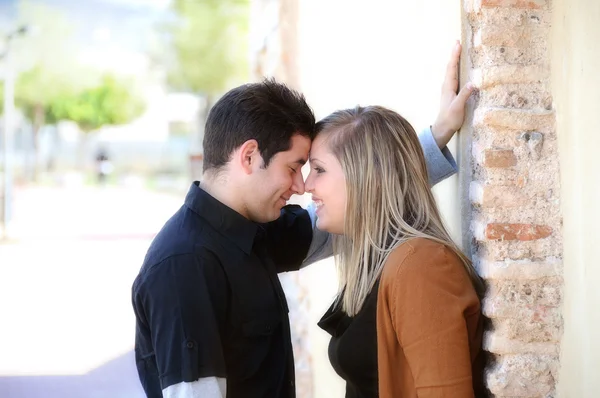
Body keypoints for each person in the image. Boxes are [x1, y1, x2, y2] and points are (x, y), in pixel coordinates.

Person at [131, 43, 474, 398]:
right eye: (294, 167)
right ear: (249, 156)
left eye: (315, 170)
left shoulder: (255, 231)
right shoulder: (185, 265)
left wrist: (438, 135)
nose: (301, 186)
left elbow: (364, 198)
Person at [308, 105, 485, 398]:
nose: (306, 185)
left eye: (319, 170)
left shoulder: (421, 266)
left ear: (365, 176)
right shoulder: (382, 261)